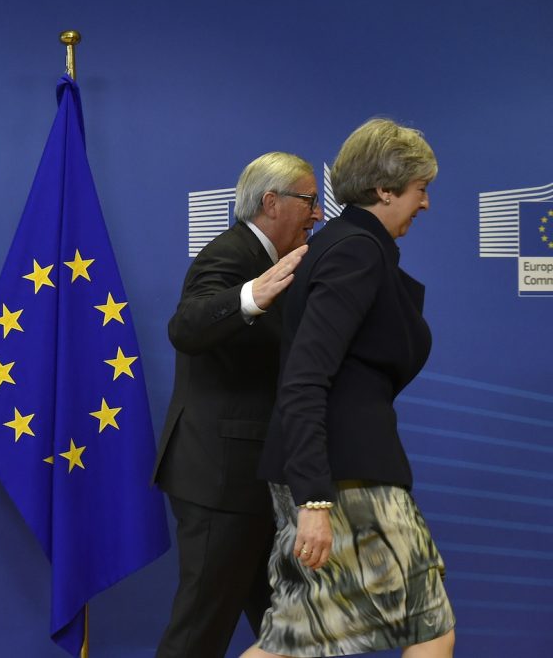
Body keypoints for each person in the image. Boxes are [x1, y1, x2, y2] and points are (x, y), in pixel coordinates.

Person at [244, 119, 456, 658]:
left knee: (296, 638)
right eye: (420, 189)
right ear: (384, 189)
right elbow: (305, 375)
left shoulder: (351, 246)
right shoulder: (356, 251)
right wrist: (315, 499)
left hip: (339, 474)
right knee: (426, 628)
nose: (425, 203)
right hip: (344, 480)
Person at [153, 152, 322, 658]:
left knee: (292, 631)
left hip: (255, 480)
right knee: (198, 635)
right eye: (309, 201)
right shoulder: (230, 254)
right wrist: (252, 296)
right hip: (220, 480)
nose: (318, 213)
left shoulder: (278, 259)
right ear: (271, 202)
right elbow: (186, 326)